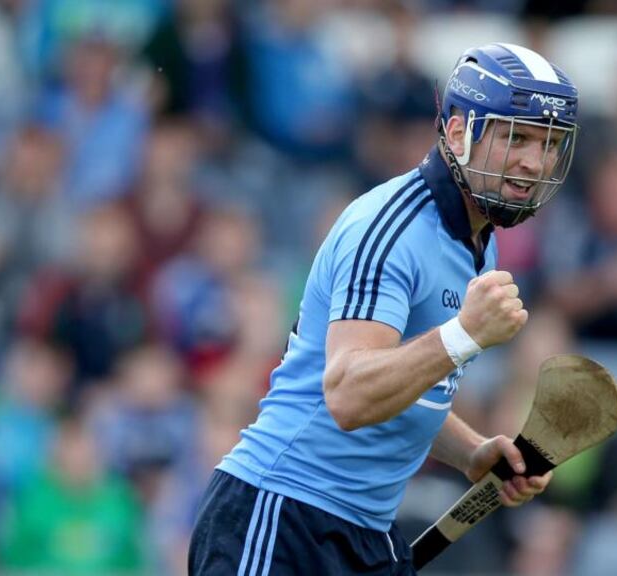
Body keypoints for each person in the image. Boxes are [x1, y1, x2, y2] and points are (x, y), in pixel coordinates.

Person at [188, 42, 580, 575]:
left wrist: (471, 452)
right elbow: (349, 395)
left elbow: (406, 384)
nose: (534, 162)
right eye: (519, 137)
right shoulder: (390, 229)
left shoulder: (480, 242)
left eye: (550, 143)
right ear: (462, 133)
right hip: (282, 517)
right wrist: (463, 335)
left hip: (367, 531)